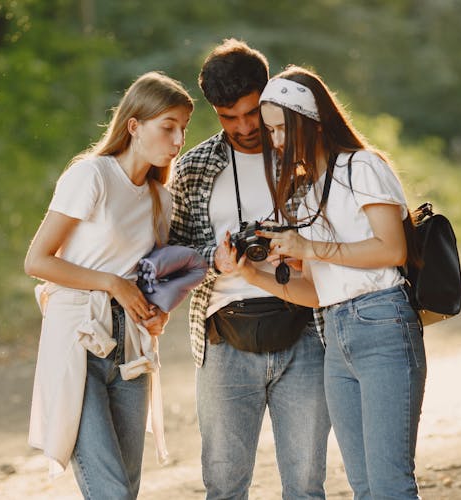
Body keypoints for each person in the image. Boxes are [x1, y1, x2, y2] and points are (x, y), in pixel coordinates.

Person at [236, 66, 427, 499]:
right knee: (363, 488)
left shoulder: (363, 167)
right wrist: (250, 273)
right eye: (271, 132)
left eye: (282, 128)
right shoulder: (308, 188)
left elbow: (392, 250)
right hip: (334, 334)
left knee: (390, 486)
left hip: (382, 321)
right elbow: (317, 293)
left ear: (310, 118)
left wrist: (310, 248)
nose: (277, 142)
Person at [168, 40, 331, 499]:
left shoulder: (304, 155)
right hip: (224, 338)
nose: (242, 127)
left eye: (251, 112)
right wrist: (213, 259)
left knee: (305, 484)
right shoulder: (194, 169)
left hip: (305, 329)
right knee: (223, 484)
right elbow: (173, 257)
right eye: (227, 117)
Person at [23, 71, 193, 499]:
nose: (177, 142)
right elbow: (37, 261)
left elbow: (150, 276)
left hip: (132, 347)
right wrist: (112, 284)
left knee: (124, 488)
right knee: (110, 490)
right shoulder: (92, 177)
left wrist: (159, 312)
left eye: (183, 130)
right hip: (79, 337)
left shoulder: (161, 198)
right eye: (167, 127)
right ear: (134, 125)